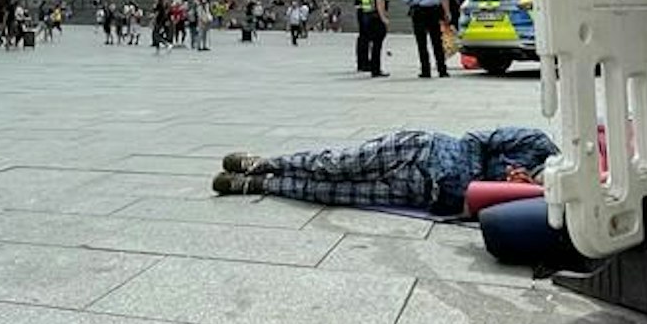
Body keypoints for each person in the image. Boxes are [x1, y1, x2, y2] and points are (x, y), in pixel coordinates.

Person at [211, 127, 559, 215]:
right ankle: (269, 163)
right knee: (335, 166)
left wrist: (504, 192)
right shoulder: (536, 143)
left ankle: (259, 185)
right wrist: (489, 178)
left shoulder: (544, 203)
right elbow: (475, 140)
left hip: (423, 194)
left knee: (332, 194)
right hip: (422, 152)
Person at [402, 0, 453, 78]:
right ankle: (442, 69)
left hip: (418, 12)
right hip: (433, 11)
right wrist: (447, 12)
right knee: (437, 41)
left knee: (421, 42)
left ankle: (425, 69)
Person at [354, 0, 390, 77]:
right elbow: (380, 1)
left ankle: (367, 64)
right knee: (377, 43)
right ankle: (376, 68)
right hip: (375, 15)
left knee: (369, 40)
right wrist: (383, 17)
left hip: (366, 14)